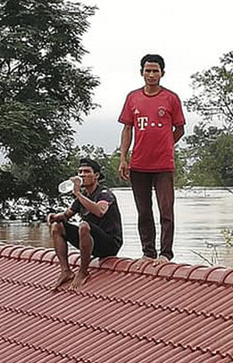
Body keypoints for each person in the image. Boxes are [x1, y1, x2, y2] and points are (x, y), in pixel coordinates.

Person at [118, 53, 186, 265]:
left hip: (163, 164)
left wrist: (166, 144)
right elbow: (127, 129)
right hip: (138, 164)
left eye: (155, 71)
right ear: (142, 73)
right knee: (143, 211)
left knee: (166, 209)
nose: (151, 74)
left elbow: (180, 128)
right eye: (148, 70)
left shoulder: (171, 98)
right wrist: (123, 157)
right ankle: (148, 252)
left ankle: (166, 254)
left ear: (162, 73)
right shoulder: (133, 98)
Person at [47, 158, 124, 290]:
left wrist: (77, 193)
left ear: (96, 175)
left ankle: (83, 271)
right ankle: (66, 271)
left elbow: (100, 211)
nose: (82, 175)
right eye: (80, 172)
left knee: (83, 225)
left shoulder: (105, 194)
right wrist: (54, 217)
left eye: (87, 172)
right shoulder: (82, 197)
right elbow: (66, 215)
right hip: (90, 240)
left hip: (109, 243)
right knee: (57, 226)